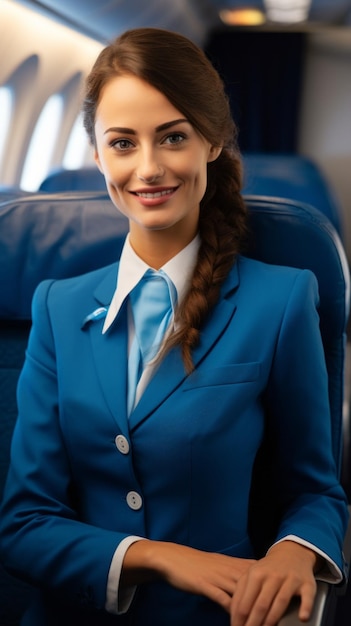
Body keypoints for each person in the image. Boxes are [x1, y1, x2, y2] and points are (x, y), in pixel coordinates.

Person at [0, 27, 348, 626]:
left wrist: (297, 549)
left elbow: (314, 490)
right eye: (122, 143)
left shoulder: (281, 300)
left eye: (173, 137)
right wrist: (159, 558)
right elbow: (25, 521)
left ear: (212, 142)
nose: (149, 168)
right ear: (98, 154)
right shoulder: (56, 307)